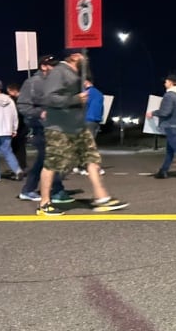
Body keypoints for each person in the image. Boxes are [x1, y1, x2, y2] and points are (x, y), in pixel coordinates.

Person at [35, 49, 128, 215]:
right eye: (82, 55)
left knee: (92, 158)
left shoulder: (76, 74)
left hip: (79, 127)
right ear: (73, 56)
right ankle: (44, 204)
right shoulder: (59, 72)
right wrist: (75, 99)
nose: (85, 59)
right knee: (53, 164)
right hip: (59, 128)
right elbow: (48, 98)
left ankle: (102, 198)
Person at [16, 55, 72, 203]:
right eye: (52, 65)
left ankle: (29, 190)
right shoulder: (32, 83)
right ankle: (57, 190)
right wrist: (40, 113)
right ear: (43, 66)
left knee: (45, 160)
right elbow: (22, 105)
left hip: (53, 126)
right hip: (38, 126)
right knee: (50, 158)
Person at [74, 76, 105, 176]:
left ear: (86, 82)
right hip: (95, 120)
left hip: (87, 120)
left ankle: (82, 166)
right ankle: (85, 167)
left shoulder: (87, 93)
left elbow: (79, 106)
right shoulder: (99, 93)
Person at [0, 79, 24, 183]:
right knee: (8, 152)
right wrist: (14, 129)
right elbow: (14, 115)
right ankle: (17, 170)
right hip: (7, 130)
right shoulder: (9, 100)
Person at [6, 82, 28, 171]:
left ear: (13, 91)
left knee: (17, 148)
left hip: (18, 127)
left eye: (9, 92)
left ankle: (19, 167)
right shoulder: (24, 99)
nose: (8, 94)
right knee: (21, 148)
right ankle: (22, 166)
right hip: (23, 126)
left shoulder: (16, 101)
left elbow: (15, 115)